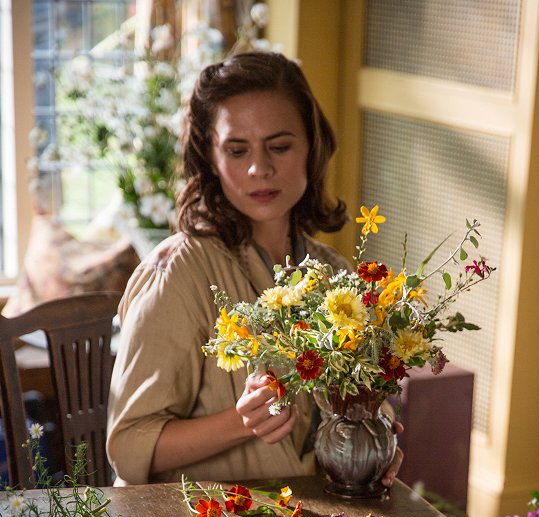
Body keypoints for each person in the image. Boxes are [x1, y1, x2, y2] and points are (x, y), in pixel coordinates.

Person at [106, 51, 402, 488]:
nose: (258, 168)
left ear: (312, 148)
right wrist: (240, 421)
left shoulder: (335, 273)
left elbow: (360, 399)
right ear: (210, 157)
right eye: (236, 149)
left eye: (279, 147)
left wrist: (376, 434)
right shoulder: (177, 272)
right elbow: (128, 449)